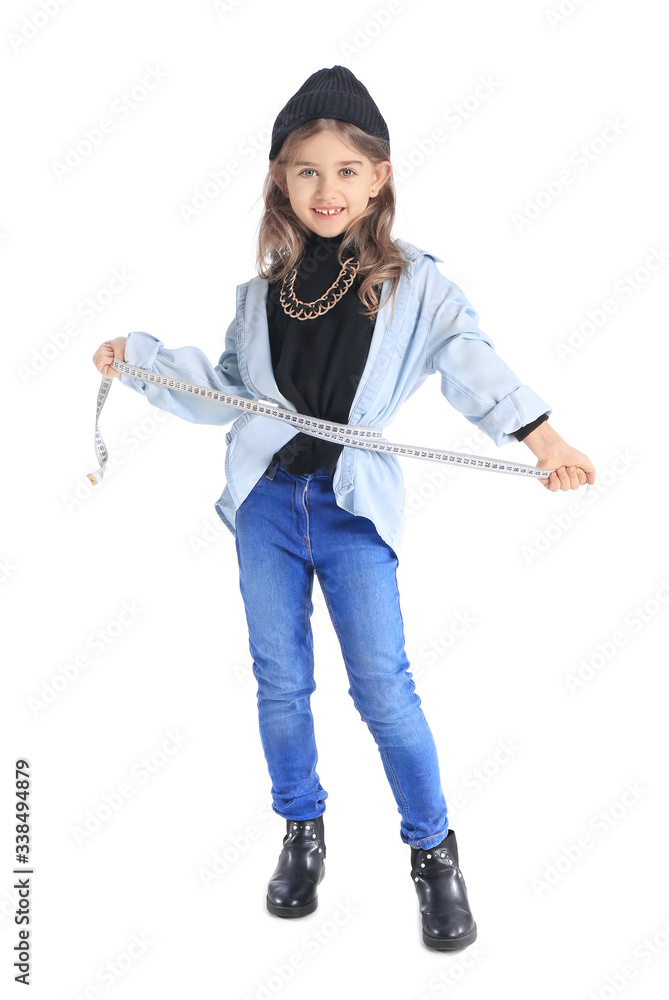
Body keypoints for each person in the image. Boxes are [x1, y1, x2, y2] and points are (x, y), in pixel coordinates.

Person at [92, 65, 595, 952]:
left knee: (383, 690)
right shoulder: (260, 297)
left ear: (381, 177)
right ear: (281, 181)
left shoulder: (416, 285)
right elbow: (229, 395)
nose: (327, 189)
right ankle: (302, 829)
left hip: (351, 513)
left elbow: (471, 360)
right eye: (307, 171)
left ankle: (433, 852)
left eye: (347, 171)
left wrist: (543, 440)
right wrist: (136, 358)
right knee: (280, 683)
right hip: (265, 510)